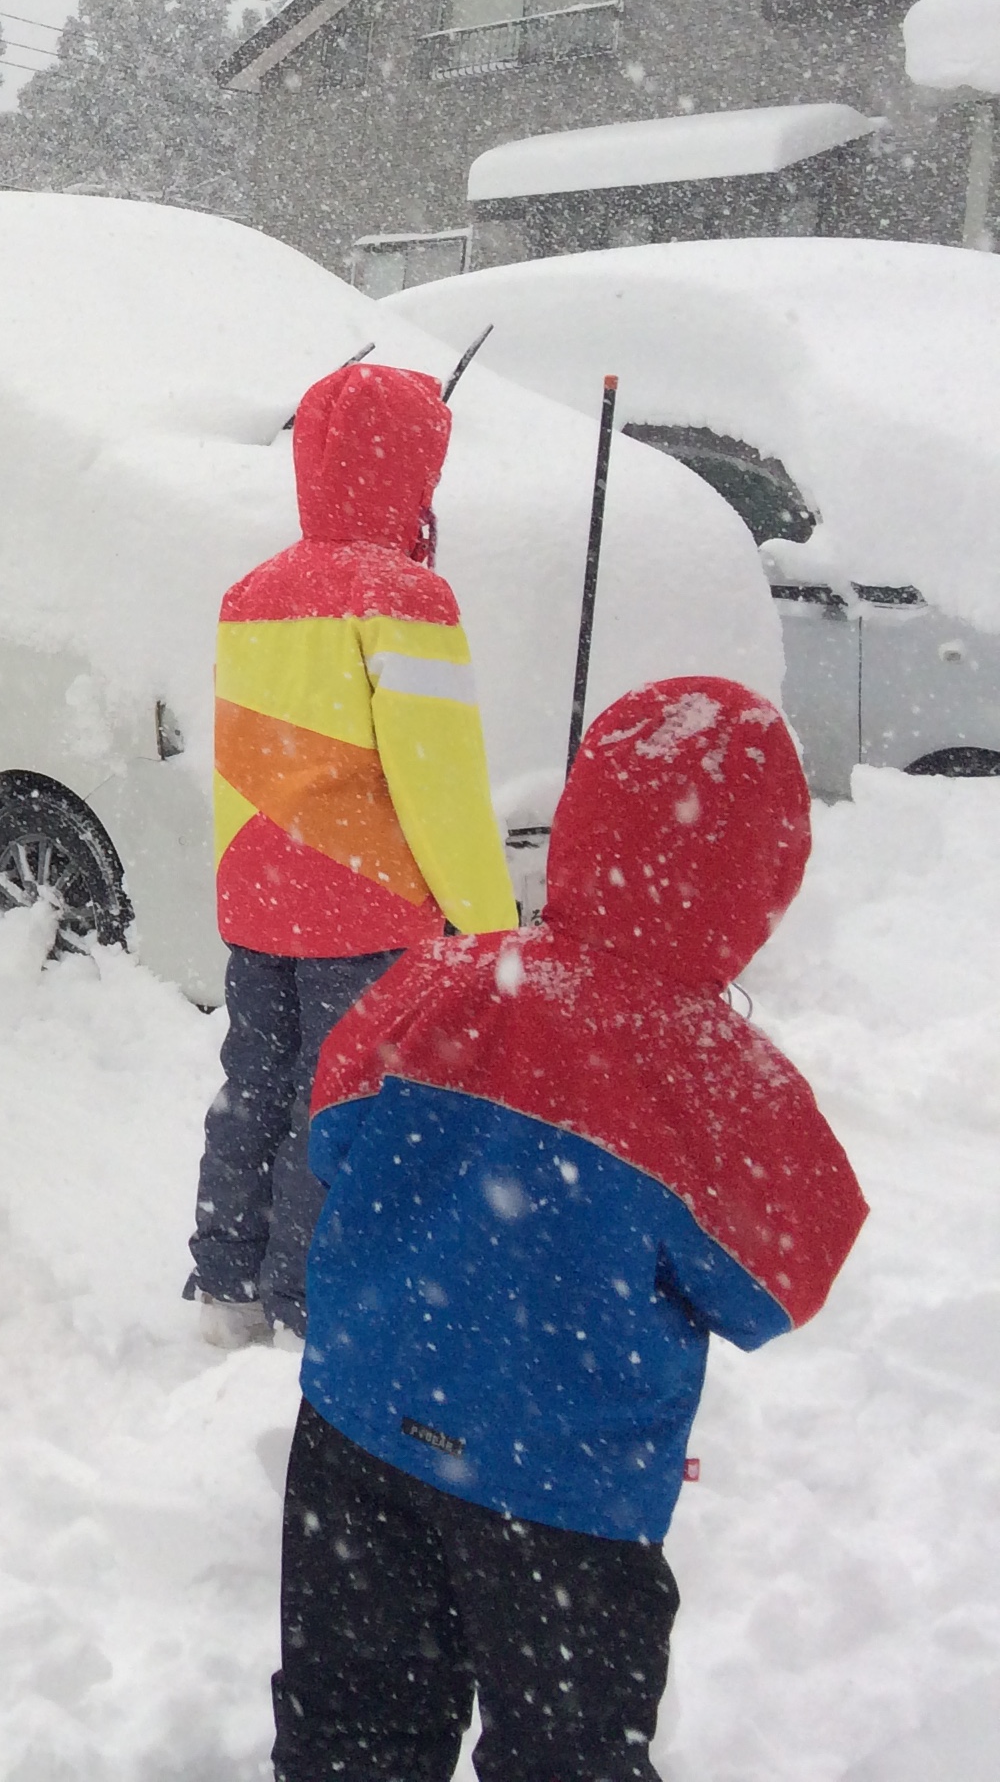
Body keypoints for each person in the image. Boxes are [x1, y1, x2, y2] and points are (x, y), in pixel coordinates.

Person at [273, 676, 864, 1780]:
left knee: (348, 1736)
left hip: (360, 1434)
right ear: (764, 882)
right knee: (567, 1758)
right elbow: (783, 1282)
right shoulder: (719, 1086)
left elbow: (334, 1129)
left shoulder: (445, 980)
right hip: (563, 1505)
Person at [188, 359, 520, 1340]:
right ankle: (309, 1296)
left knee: (253, 1083)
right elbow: (440, 785)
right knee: (334, 1105)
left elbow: (244, 758)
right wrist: (489, 922)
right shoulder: (409, 598)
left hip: (260, 902)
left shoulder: (252, 593)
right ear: (412, 469)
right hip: (364, 908)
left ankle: (226, 1278)